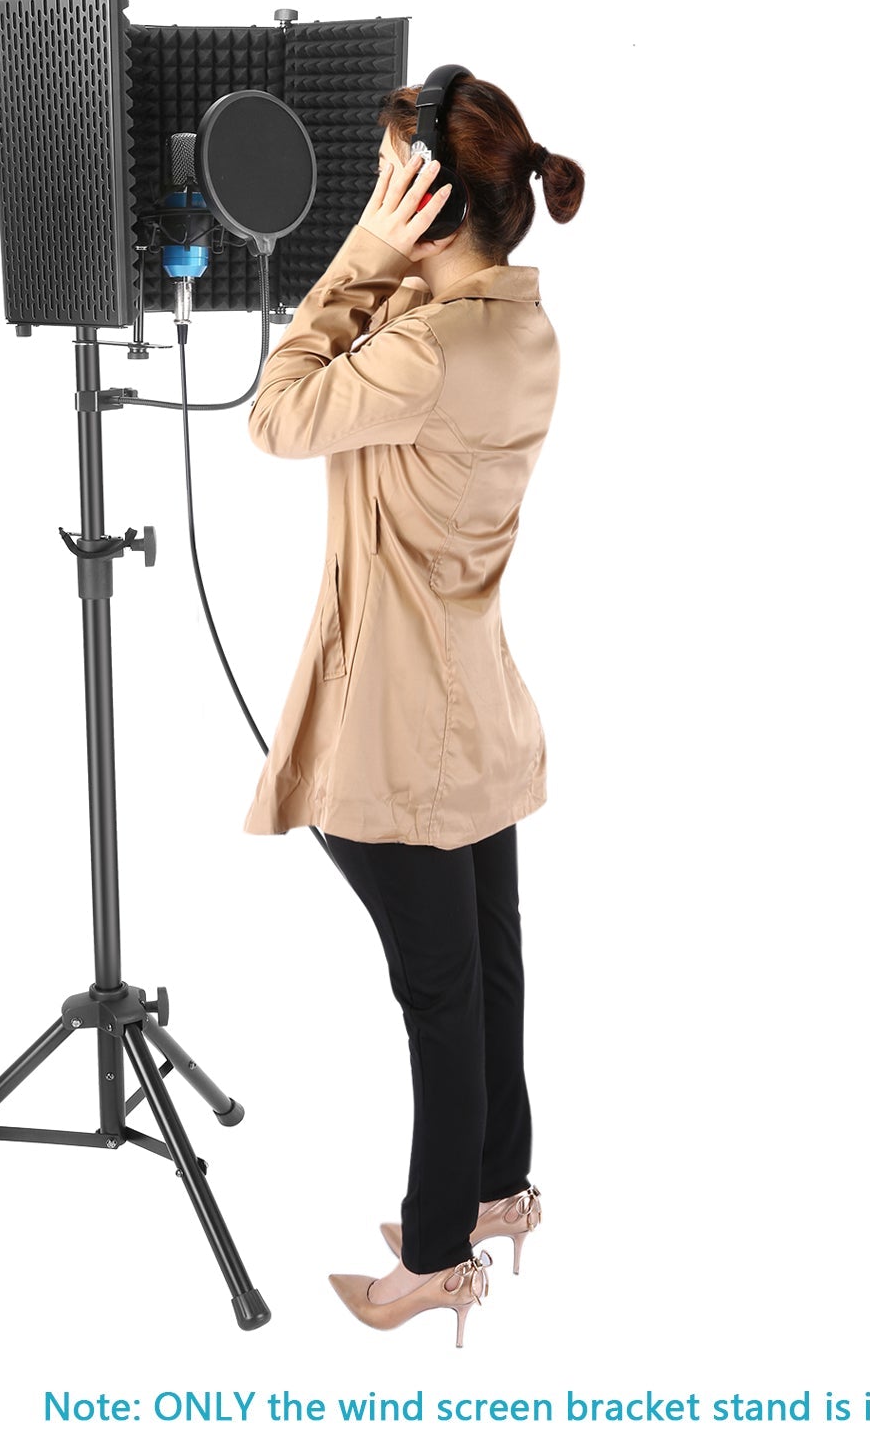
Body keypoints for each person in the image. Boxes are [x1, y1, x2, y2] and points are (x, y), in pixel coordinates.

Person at [242, 74, 584, 1345]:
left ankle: (438, 1258)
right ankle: (497, 1190)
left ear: (431, 206)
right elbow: (381, 358)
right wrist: (403, 257)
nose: (377, 200)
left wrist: (364, 248)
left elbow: (277, 412)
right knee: (487, 969)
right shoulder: (515, 327)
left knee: (442, 997)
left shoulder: (424, 351)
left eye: (395, 182)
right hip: (478, 710)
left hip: (398, 729)